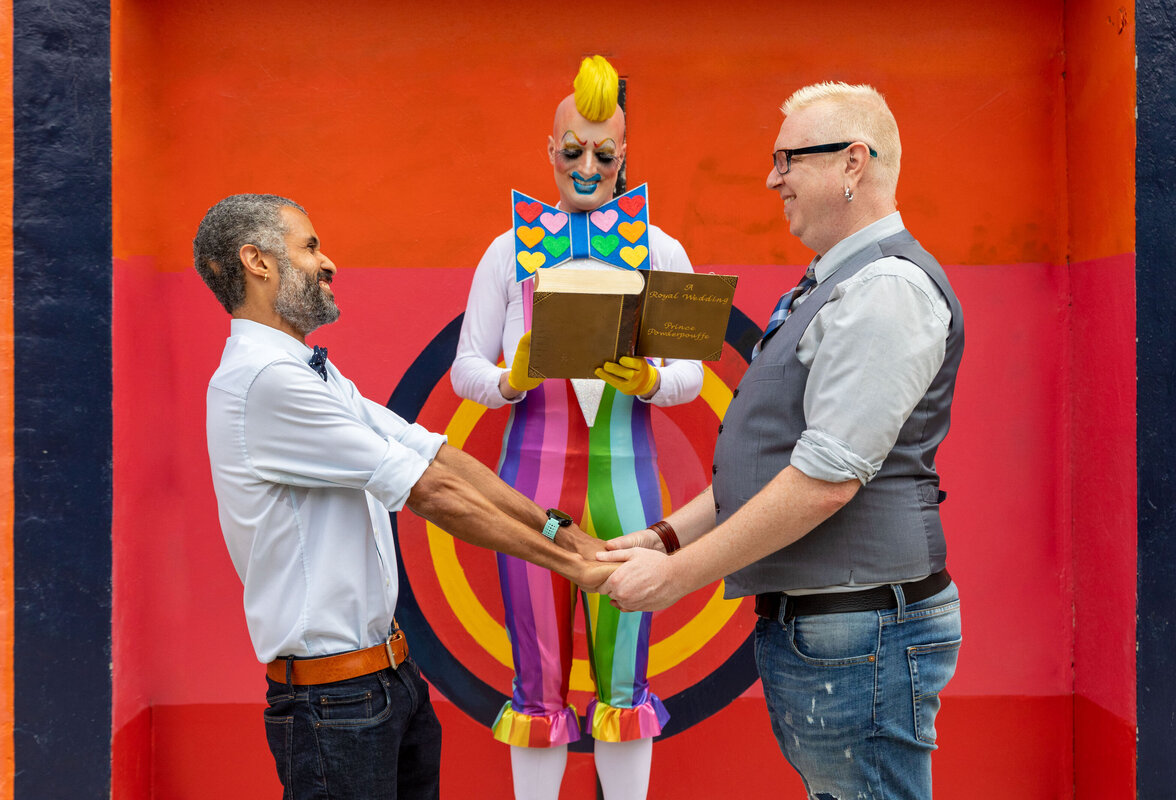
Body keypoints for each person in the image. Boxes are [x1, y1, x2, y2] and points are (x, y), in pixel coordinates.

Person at [599, 82, 965, 800]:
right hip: (840, 634)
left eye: (788, 159)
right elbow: (780, 458)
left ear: (853, 163)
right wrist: (667, 538)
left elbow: (827, 477)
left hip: (861, 634)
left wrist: (677, 577)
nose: (773, 179)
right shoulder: (835, 285)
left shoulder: (885, 290)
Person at [195, 193, 614, 800]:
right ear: (257, 262)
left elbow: (437, 453)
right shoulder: (267, 381)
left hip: (388, 681)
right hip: (332, 704)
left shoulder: (312, 372)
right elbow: (431, 492)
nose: (328, 262)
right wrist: (574, 566)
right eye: (310, 246)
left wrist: (562, 531)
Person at [450, 56, 703, 800]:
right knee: (537, 680)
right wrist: (511, 378)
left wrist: (651, 379)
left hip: (628, 481)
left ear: (625, 156)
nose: (587, 166)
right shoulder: (506, 251)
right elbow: (466, 369)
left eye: (603, 152)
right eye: (572, 150)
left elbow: (689, 375)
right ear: (549, 149)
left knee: (626, 680)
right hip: (530, 484)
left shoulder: (663, 250)